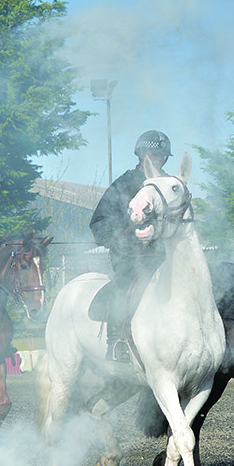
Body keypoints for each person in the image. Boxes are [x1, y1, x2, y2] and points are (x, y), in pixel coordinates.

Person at [89, 130, 171, 362]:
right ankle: (116, 342)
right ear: (140, 155)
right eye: (151, 154)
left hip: (162, 256)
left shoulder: (167, 185)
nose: (155, 159)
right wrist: (127, 237)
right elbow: (99, 223)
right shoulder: (123, 184)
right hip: (129, 257)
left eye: (160, 156)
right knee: (126, 283)